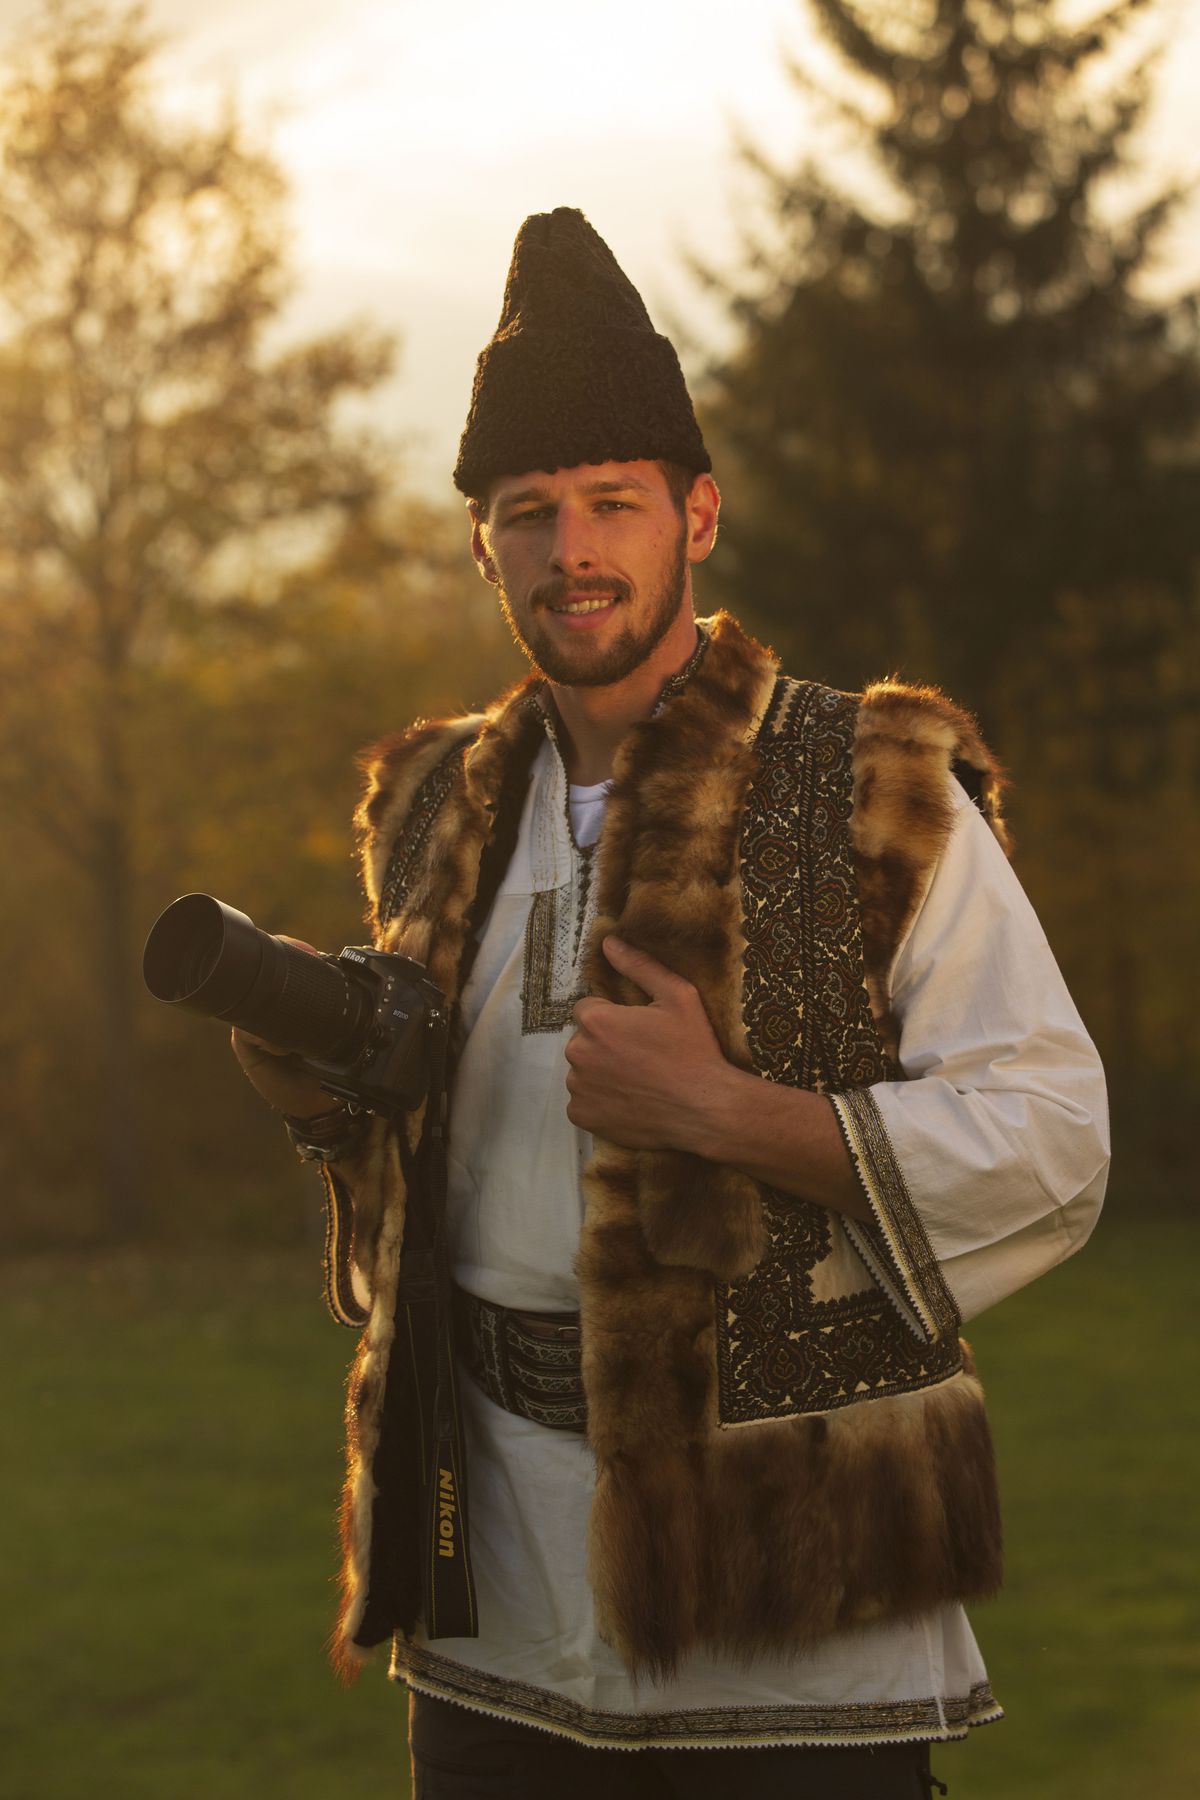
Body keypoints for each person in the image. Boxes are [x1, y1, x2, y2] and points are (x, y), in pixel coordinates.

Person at [233, 208, 1108, 1799]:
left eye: (612, 504)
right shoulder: (431, 807)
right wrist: (326, 1106)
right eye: (529, 512)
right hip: (493, 1580)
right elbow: (416, 1216)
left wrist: (729, 1113)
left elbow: (1054, 1138)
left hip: (791, 1597)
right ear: (481, 542)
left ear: (696, 515)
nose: (573, 551)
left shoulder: (872, 783)